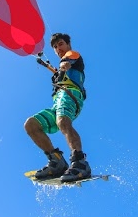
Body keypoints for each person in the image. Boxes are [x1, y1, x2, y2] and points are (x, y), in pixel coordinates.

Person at [24, 33, 91, 182]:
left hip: (71, 95)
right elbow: (60, 70)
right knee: (31, 125)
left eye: (60, 44)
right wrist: (57, 71)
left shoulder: (73, 55)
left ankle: (80, 162)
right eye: (55, 47)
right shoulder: (60, 69)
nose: (58, 48)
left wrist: (63, 65)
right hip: (58, 102)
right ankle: (56, 161)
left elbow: (67, 61)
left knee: (63, 122)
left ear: (68, 44)